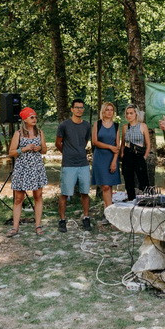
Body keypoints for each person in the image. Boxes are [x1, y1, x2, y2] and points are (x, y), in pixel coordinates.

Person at [7, 107, 48, 237]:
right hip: (22, 168)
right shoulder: (18, 134)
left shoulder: (40, 132)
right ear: (24, 119)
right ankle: (15, 227)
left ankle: (38, 226)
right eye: (31, 117)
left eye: (35, 117)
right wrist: (23, 149)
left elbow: (45, 150)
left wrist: (39, 148)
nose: (34, 119)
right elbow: (11, 152)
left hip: (36, 167)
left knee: (38, 196)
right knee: (19, 198)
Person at [55, 99, 93, 232]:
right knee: (65, 193)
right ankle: (62, 220)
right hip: (68, 164)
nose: (79, 110)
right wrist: (67, 153)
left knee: (85, 192)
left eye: (81, 108)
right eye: (76, 107)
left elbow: (85, 141)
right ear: (72, 109)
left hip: (83, 163)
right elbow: (58, 143)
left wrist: (78, 151)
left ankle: (86, 218)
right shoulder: (64, 125)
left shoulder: (87, 125)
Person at [91, 102, 121, 209]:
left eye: (111, 110)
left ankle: (107, 210)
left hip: (112, 158)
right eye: (107, 110)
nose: (109, 112)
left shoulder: (116, 126)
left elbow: (117, 146)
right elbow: (95, 141)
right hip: (100, 158)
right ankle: (109, 212)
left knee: (109, 186)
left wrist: (114, 161)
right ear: (103, 111)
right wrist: (109, 147)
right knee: (105, 186)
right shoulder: (97, 124)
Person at [119, 105, 151, 198]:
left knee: (143, 180)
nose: (129, 115)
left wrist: (144, 157)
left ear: (136, 114)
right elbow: (123, 143)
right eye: (127, 113)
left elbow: (148, 144)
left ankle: (146, 200)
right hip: (127, 155)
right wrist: (122, 154)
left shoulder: (143, 126)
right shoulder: (125, 127)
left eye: (131, 113)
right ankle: (130, 199)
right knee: (128, 181)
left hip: (139, 155)